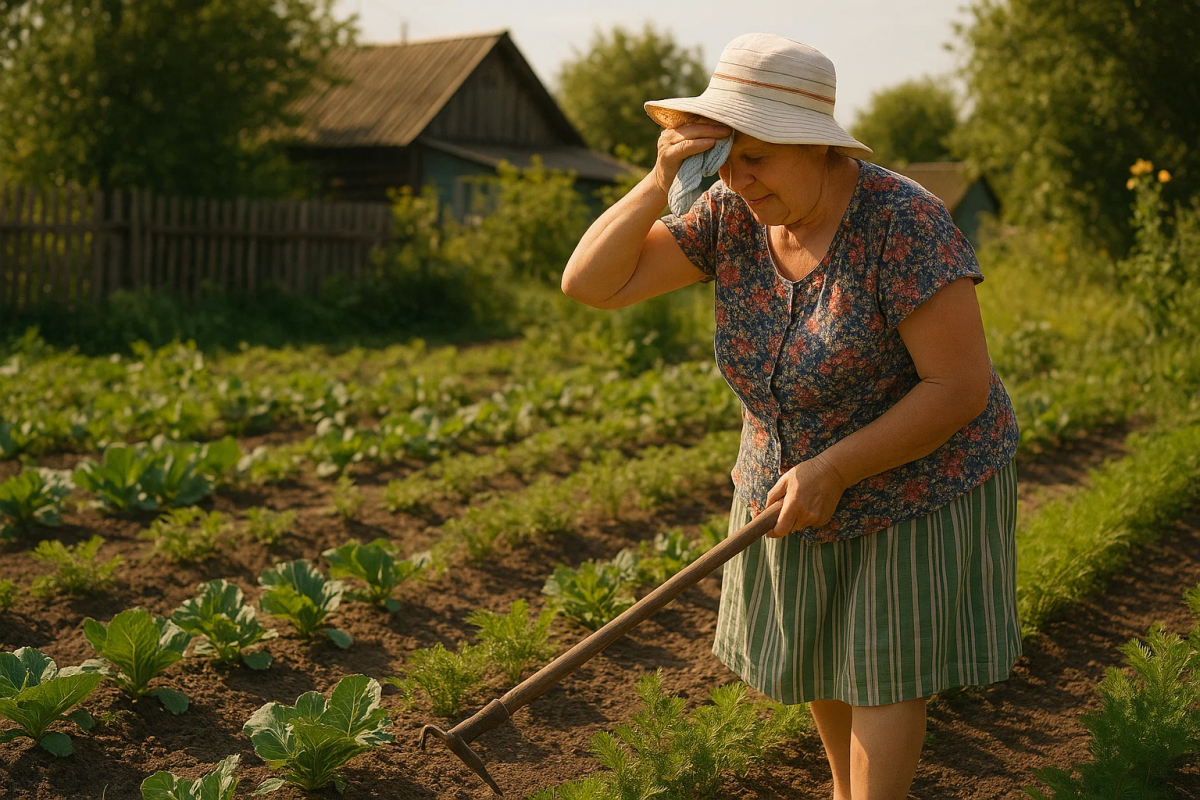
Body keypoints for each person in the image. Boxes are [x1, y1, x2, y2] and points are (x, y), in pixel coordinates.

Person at [561, 32, 1022, 800]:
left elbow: (957, 387)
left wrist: (837, 466)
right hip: (790, 475)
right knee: (822, 652)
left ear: (818, 148)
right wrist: (657, 178)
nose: (738, 179)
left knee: (881, 668)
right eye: (727, 156)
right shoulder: (730, 213)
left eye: (758, 158)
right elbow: (591, 283)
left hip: (914, 476)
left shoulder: (902, 222)